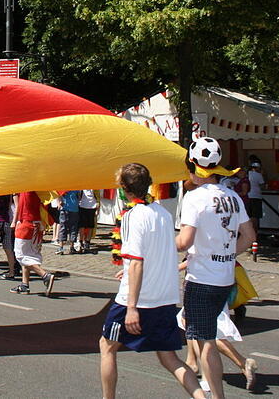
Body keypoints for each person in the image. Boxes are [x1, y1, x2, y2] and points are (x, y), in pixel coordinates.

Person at [100, 163, 204, 399]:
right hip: (165, 297)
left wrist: (132, 308)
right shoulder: (163, 213)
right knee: (169, 357)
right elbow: (158, 253)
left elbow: (137, 261)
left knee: (107, 347)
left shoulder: (132, 216)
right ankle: (201, 397)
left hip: (139, 298)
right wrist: (127, 270)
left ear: (124, 189)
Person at [176, 140, 256, 399]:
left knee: (205, 341)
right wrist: (228, 253)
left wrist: (165, 245)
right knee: (204, 334)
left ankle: (216, 395)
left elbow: (185, 241)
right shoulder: (232, 196)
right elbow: (249, 235)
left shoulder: (194, 198)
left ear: (193, 167)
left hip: (201, 277)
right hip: (224, 276)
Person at [10, 191, 57, 296]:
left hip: (26, 223)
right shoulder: (38, 189)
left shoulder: (26, 189)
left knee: (21, 255)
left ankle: (45, 275)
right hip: (36, 223)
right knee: (29, 255)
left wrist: (14, 222)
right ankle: (24, 284)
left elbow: (19, 207)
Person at [55, 190, 81, 255]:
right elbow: (79, 197)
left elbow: (57, 194)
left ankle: (61, 247)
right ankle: (71, 247)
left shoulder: (65, 184)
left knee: (63, 228)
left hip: (67, 208)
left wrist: (59, 203)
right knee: (72, 228)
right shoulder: (77, 186)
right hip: (72, 208)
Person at [246, 161, 265, 233]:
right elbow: (262, 186)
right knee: (255, 216)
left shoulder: (247, 174)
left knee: (248, 215)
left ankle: (248, 232)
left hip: (248, 196)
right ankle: (254, 232)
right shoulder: (258, 175)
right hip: (256, 196)